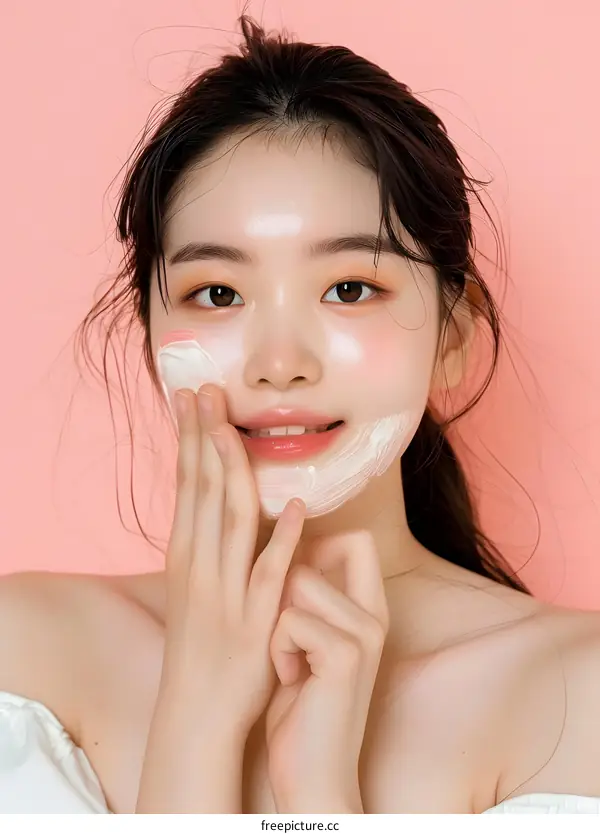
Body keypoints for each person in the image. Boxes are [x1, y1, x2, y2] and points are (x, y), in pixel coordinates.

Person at [1, 15, 599, 815]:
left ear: (453, 336)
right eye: (218, 294)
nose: (279, 361)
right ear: (148, 336)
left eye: (350, 288)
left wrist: (315, 797)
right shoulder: (22, 656)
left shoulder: (573, 697)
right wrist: (200, 719)